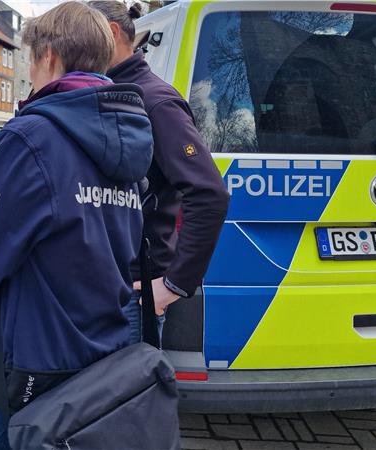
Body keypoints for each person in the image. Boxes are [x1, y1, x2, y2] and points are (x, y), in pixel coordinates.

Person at [0, 3, 153, 449]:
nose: (31, 74)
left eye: (31, 60)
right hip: (102, 354)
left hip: (26, 364)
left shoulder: (32, 137)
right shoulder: (131, 135)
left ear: (50, 57)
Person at [90, 1, 230, 344]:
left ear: (110, 33)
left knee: (128, 397)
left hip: (134, 296)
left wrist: (173, 285)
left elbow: (209, 193)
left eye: (82, 36)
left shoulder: (154, 101)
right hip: (104, 289)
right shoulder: (107, 92)